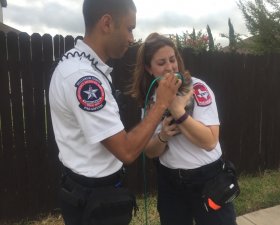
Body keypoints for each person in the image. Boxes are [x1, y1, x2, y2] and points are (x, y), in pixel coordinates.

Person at [48, 1, 181, 225]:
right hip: (94, 195)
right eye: (129, 28)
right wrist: (160, 105)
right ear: (107, 23)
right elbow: (127, 151)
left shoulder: (84, 64)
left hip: (89, 189)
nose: (131, 38)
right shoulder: (84, 79)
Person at [129, 32, 237, 225]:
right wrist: (162, 136)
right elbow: (150, 152)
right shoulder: (150, 101)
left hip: (207, 179)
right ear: (148, 68)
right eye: (161, 63)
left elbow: (210, 141)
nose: (170, 67)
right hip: (170, 182)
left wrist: (178, 110)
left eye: (172, 60)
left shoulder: (197, 88)